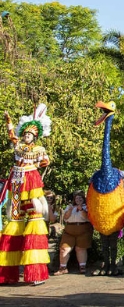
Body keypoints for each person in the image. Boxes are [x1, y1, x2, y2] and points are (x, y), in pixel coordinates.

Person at [0, 105, 52, 286]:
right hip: (16, 183)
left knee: (34, 220)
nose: (26, 136)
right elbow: (12, 135)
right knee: (14, 221)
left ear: (35, 137)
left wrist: (39, 162)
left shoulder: (38, 149)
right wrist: (8, 121)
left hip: (31, 184)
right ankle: (7, 273)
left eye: (30, 134)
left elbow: (45, 161)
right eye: (26, 134)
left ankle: (35, 273)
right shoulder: (19, 145)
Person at [54, 191, 93, 275]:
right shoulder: (69, 207)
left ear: (83, 199)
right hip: (69, 229)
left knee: (80, 248)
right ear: (74, 199)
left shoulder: (87, 207)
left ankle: (82, 267)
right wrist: (70, 210)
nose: (78, 199)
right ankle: (63, 268)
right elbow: (65, 218)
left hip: (83, 229)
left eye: (80, 198)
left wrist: (81, 209)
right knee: (64, 248)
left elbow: (87, 218)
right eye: (76, 198)